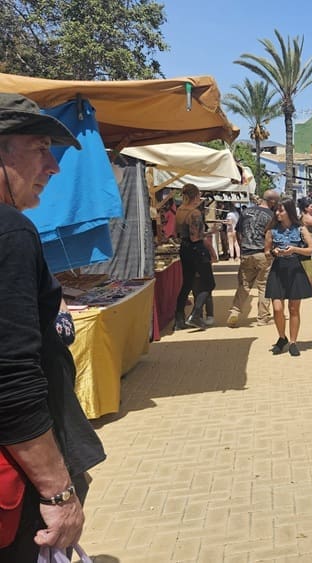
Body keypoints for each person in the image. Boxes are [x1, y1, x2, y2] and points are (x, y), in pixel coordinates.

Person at [0, 92, 106, 560]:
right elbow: (11, 377)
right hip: (18, 479)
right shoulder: (10, 232)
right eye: (41, 148)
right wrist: (59, 492)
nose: (53, 166)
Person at [264, 197, 312, 357]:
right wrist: (273, 252)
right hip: (278, 270)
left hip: (295, 269)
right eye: (276, 210)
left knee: (294, 308)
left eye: (281, 210)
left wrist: (294, 250)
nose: (277, 213)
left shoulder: (300, 229)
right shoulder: (271, 230)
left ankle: (293, 341)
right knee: (277, 308)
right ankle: (282, 337)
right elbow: (266, 252)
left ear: (289, 211)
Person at [227, 190, 279, 328]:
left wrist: (242, 248)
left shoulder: (245, 212)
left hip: (246, 253)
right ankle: (263, 317)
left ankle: (235, 311)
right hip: (263, 254)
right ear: (272, 201)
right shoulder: (271, 216)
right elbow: (273, 236)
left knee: (244, 285)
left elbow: (238, 232)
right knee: (264, 286)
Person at [174, 184, 219, 330]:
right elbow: (196, 237)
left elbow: (178, 233)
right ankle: (196, 313)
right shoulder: (195, 213)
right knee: (209, 283)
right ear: (196, 195)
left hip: (184, 248)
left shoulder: (179, 210)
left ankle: (179, 318)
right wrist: (210, 232)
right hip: (197, 250)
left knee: (187, 284)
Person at [297, 197, 312, 281]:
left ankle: (309, 281)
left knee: (309, 264)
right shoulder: (307, 217)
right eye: (311, 206)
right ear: (306, 208)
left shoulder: (307, 216)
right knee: (309, 264)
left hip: (310, 242)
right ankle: (308, 282)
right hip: (309, 242)